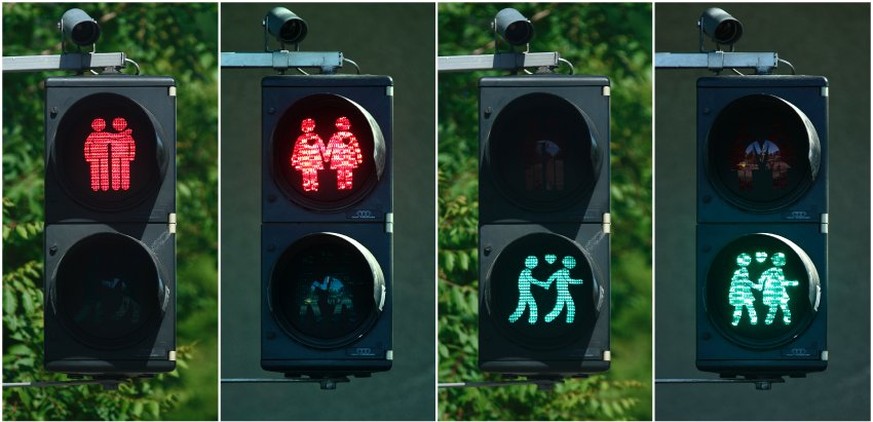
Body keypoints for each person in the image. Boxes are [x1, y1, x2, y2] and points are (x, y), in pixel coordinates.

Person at [759, 252, 799, 325]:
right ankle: (783, 319)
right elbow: (782, 282)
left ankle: (770, 321)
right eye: (781, 260)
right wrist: (793, 283)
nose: (783, 261)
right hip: (776, 293)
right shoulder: (775, 271)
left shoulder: (775, 270)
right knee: (782, 307)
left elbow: (763, 276)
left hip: (776, 293)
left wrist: (761, 285)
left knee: (776, 307)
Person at [325, 116, 363, 190]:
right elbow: (356, 148)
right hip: (348, 160)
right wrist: (359, 159)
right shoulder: (350, 136)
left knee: (341, 173)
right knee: (345, 173)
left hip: (339, 160)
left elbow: (330, 147)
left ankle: (343, 187)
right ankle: (345, 187)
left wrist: (327, 157)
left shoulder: (336, 136)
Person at [508, 255, 550, 324]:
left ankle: (528, 320)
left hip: (525, 292)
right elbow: (532, 280)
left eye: (535, 263)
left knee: (525, 307)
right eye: (534, 263)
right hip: (525, 292)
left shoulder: (526, 271)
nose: (535, 264)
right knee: (528, 306)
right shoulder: (526, 272)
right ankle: (528, 320)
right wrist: (542, 284)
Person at [543, 256, 584, 324]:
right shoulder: (563, 272)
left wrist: (548, 284)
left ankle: (551, 318)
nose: (572, 265)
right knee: (567, 305)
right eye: (570, 263)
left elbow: (552, 277)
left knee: (563, 306)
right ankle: (566, 320)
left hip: (563, 291)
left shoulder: (563, 271)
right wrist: (579, 281)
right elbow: (569, 280)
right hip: (563, 291)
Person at [290, 118, 326, 192]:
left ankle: (311, 188)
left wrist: (294, 161)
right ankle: (312, 188)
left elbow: (296, 150)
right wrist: (326, 157)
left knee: (309, 175)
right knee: (311, 175)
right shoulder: (315, 137)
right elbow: (322, 148)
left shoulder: (301, 138)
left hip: (305, 162)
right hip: (313, 161)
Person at [728, 252, 762, 326]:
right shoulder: (743, 270)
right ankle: (753, 319)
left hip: (737, 293)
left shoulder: (738, 271)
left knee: (739, 307)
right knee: (750, 306)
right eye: (747, 260)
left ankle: (735, 322)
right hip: (744, 293)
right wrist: (756, 286)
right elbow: (745, 281)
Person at [84, 118, 111, 191]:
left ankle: (104, 186)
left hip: (103, 157)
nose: (99, 127)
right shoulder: (91, 135)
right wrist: (88, 157)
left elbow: (115, 137)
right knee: (95, 173)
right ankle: (96, 187)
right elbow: (87, 146)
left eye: (101, 125)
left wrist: (125, 134)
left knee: (104, 171)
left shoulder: (105, 134)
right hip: (94, 157)